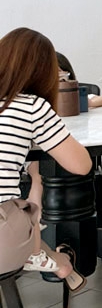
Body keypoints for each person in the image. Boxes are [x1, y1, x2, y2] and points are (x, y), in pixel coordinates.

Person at [0, 28, 91, 290]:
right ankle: (45, 255)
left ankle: (47, 255)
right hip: (3, 238)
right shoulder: (31, 106)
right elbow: (81, 165)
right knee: (30, 196)